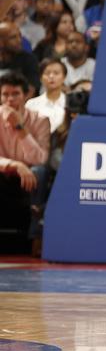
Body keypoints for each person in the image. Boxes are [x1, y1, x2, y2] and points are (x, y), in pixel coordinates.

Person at [0, 72, 49, 237]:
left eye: (15, 94)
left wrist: (20, 128)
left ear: (26, 95)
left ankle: (34, 235)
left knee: (40, 171)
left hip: (29, 175)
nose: (10, 99)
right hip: (5, 171)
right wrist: (15, 165)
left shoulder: (40, 120)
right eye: (5, 94)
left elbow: (40, 159)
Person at [25, 58, 66, 133]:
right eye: (47, 73)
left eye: (56, 73)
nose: (51, 76)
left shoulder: (70, 103)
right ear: (40, 78)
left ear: (64, 77)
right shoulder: (31, 104)